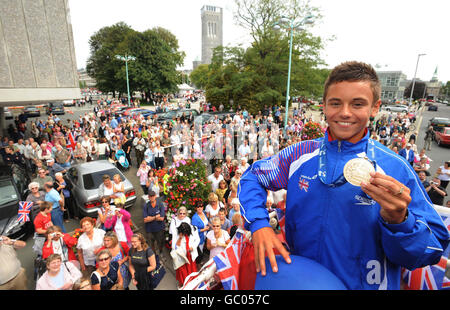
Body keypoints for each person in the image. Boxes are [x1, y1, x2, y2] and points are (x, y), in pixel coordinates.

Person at [237, 61, 450, 289]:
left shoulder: (396, 168)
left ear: (375, 107)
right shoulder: (299, 153)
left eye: (357, 104)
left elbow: (433, 247)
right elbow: (252, 176)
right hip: (301, 281)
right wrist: (259, 225)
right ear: (325, 106)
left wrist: (400, 222)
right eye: (336, 103)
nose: (345, 112)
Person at [172, 222, 199, 288]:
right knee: (182, 271)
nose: (185, 235)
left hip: (190, 255)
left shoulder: (194, 229)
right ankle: (183, 284)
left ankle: (192, 283)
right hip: (182, 257)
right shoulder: (176, 232)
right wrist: (180, 238)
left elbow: (197, 240)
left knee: (191, 271)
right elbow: (174, 246)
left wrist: (192, 247)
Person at [142, 190, 166, 258]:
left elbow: (161, 218)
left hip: (159, 229)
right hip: (149, 230)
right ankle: (154, 256)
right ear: (148, 197)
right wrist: (155, 217)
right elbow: (145, 220)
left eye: (153, 196)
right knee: (151, 244)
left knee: (160, 242)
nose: (152, 197)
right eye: (150, 196)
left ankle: (161, 252)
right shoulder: (146, 206)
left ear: (155, 196)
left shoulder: (160, 204)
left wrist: (150, 218)